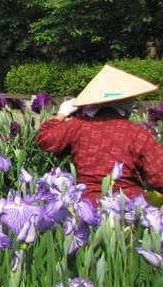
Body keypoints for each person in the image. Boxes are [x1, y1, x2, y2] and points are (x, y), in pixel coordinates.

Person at [36, 65, 163, 204]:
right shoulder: (136, 132)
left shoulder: (77, 125)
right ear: (127, 101)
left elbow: (45, 139)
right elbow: (160, 175)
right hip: (128, 206)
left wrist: (62, 114)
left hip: (87, 205)